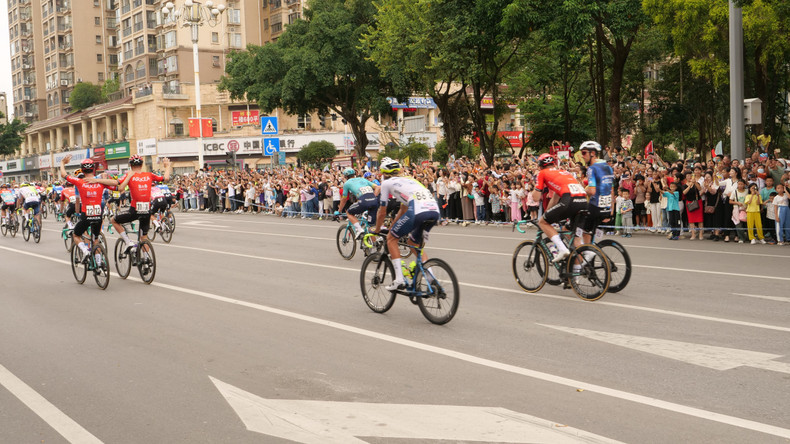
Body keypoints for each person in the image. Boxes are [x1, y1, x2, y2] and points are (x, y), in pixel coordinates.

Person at [371, 157, 440, 291]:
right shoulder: (410, 180)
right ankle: (431, 279)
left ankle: (399, 279)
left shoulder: (386, 183)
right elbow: (403, 209)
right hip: (434, 211)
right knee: (413, 243)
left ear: (384, 174)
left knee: (391, 239)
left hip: (418, 210)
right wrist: (392, 227)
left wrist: (378, 229)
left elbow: (382, 212)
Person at [105, 155, 172, 251]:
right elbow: (166, 178)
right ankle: (146, 258)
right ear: (142, 165)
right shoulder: (149, 175)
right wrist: (167, 166)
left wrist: (98, 181)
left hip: (134, 211)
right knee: (144, 237)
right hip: (146, 211)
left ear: (130, 165)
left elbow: (116, 183)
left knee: (113, 220)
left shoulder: (129, 175)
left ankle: (128, 242)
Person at [531, 153, 588, 262]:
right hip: (583, 201)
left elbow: (536, 198)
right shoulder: (564, 172)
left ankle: (562, 249)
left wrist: (536, 186)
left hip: (570, 200)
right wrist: (547, 214)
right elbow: (555, 198)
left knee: (542, 222)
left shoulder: (542, 173)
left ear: (540, 166)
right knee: (573, 237)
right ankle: (576, 273)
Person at [59, 156, 112, 262]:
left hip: (86, 216)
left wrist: (62, 162)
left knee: (76, 235)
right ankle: (99, 263)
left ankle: (85, 251)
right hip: (98, 215)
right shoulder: (100, 182)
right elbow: (117, 185)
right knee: (95, 239)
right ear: (93, 169)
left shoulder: (79, 182)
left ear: (82, 170)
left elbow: (64, 175)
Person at [579, 141, 614, 243]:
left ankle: (588, 252)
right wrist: (611, 209)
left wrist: (582, 191)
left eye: (584, 153)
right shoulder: (608, 167)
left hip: (595, 205)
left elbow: (592, 191)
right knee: (592, 230)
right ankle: (593, 249)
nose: (582, 156)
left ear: (593, 153)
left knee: (580, 228)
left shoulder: (591, 169)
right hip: (606, 206)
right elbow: (612, 190)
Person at [335, 167, 380, 237]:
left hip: (363, 201)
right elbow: (378, 187)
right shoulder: (363, 179)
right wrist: (374, 196)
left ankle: (359, 229)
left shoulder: (347, 183)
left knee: (349, 212)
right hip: (374, 201)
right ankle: (375, 243)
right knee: (370, 226)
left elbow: (344, 199)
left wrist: (339, 211)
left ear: (346, 177)